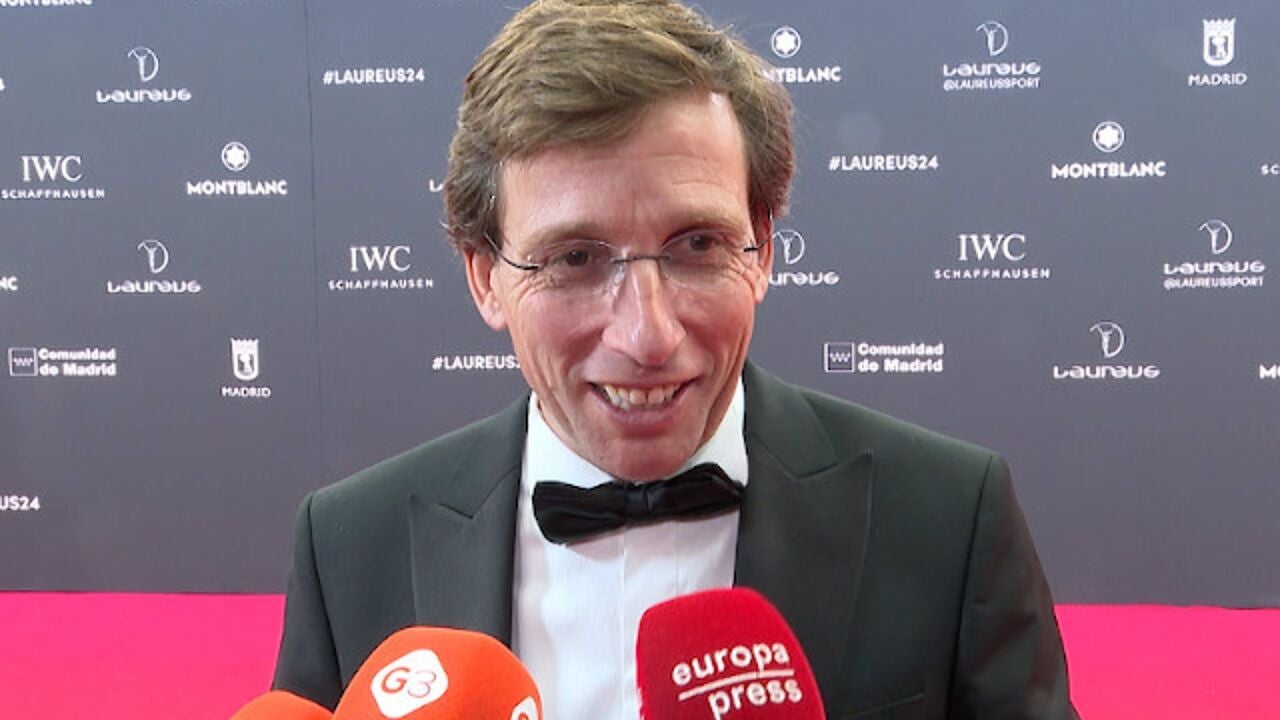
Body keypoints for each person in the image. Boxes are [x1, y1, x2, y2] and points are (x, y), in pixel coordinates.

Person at [273, 1, 1079, 717]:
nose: (647, 334)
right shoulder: (351, 546)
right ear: (486, 277)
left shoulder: (947, 518)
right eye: (575, 258)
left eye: (696, 245)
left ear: (762, 250)